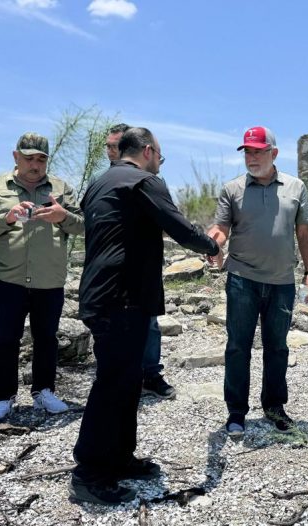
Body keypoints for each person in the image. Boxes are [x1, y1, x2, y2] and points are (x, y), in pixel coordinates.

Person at [72, 127, 219, 505]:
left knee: (126, 380)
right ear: (149, 151)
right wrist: (212, 246)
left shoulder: (101, 181)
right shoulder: (143, 182)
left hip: (106, 295)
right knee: (112, 383)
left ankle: (119, 457)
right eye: (161, 158)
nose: (160, 165)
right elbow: (180, 228)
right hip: (121, 298)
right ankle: (89, 473)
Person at [207, 126, 308, 438]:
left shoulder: (296, 187)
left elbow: (305, 233)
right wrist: (212, 244)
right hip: (242, 279)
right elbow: (221, 227)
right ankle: (236, 413)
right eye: (248, 152)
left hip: (282, 282)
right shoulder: (233, 189)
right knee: (238, 347)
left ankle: (274, 407)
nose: (252, 157)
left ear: (274, 153)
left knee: (277, 348)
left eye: (258, 151)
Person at [0, 133, 84, 421]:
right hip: (9, 278)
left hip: (49, 279)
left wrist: (62, 216)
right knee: (7, 338)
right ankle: (4, 397)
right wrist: (6, 218)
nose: (35, 164)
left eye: (41, 159)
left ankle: (44, 391)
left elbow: (84, 225)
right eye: (29, 158)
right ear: (16, 156)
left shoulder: (61, 188)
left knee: (47, 338)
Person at [103, 123, 175, 400]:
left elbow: (168, 220)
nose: (112, 151)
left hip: (143, 271)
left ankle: (150, 374)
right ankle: (122, 377)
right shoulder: (101, 182)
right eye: (108, 147)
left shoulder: (150, 181)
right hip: (112, 274)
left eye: (116, 146)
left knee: (150, 323)